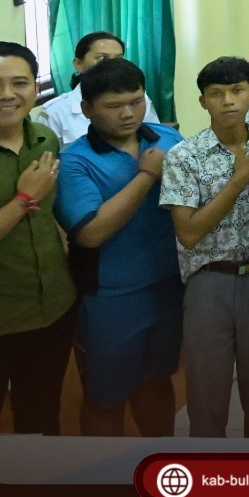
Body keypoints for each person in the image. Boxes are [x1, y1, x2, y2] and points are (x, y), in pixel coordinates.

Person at [52, 58, 185, 437]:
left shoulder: (168, 139)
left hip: (168, 287)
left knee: (158, 381)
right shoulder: (74, 161)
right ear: (87, 109)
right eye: (114, 105)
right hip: (109, 298)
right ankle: (105, 469)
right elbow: (91, 233)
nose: (128, 113)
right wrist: (147, 175)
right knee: (105, 398)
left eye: (136, 101)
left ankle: (160, 461)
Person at [159, 57, 249, 438]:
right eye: (216, 94)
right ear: (203, 102)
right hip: (209, 282)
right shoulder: (185, 157)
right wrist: (239, 179)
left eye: (237, 91)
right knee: (207, 397)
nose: (228, 101)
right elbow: (189, 233)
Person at [0, 42, 77, 441]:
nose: (8, 95)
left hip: (52, 310)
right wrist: (24, 199)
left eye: (20, 83)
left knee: (42, 419)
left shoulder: (44, 139)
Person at [36, 31, 161, 147]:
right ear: (78, 64)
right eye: (102, 58)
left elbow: (155, 137)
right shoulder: (55, 112)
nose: (111, 65)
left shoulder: (140, 98)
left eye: (118, 59)